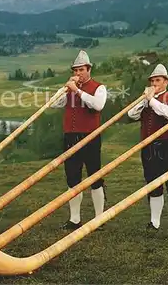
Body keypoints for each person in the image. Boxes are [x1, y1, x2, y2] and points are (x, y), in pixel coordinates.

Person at [51, 50, 108, 230]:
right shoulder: (70, 89)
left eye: (81, 70)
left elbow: (97, 105)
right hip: (70, 137)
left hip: (90, 136)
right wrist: (66, 88)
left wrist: (79, 91)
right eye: (75, 71)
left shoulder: (99, 88)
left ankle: (99, 218)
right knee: (72, 178)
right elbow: (53, 104)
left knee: (95, 177)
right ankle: (74, 219)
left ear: (89, 69)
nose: (78, 74)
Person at [127, 64, 168, 233]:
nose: (154, 83)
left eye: (158, 80)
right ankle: (155, 222)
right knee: (153, 184)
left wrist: (151, 100)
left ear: (166, 81)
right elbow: (131, 114)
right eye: (152, 81)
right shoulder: (146, 99)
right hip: (149, 146)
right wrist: (145, 100)